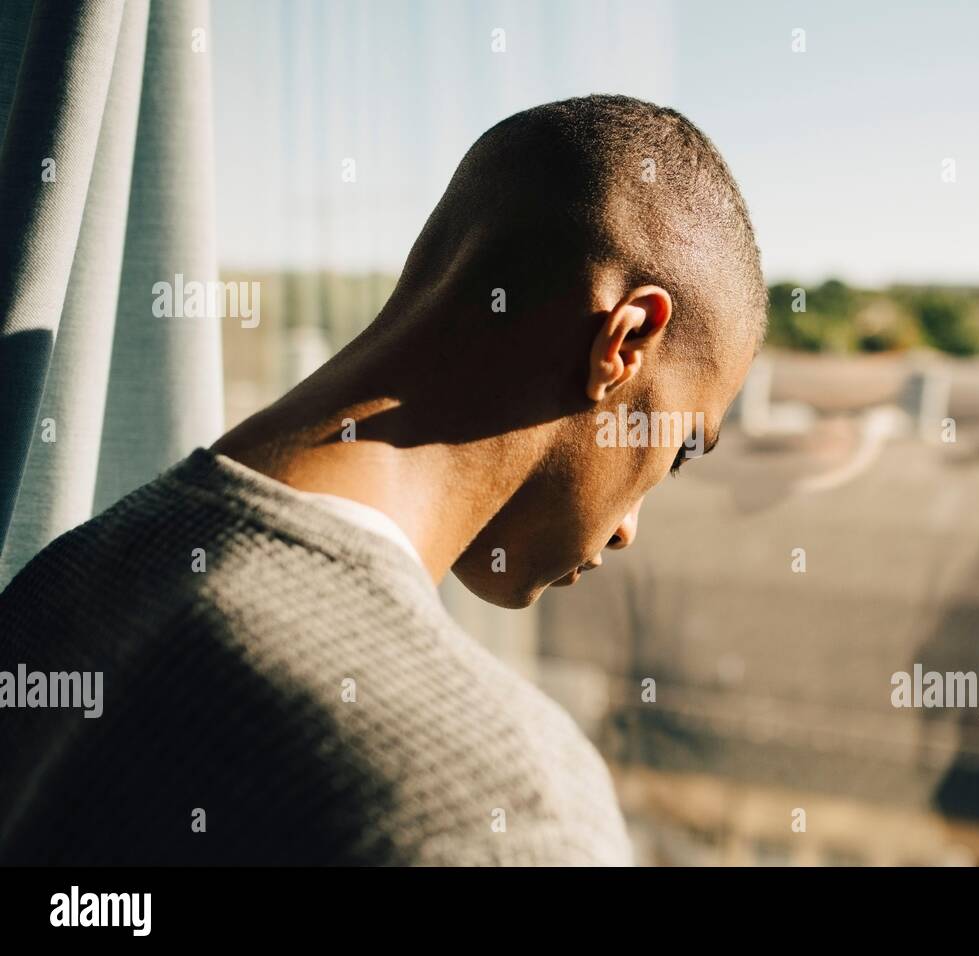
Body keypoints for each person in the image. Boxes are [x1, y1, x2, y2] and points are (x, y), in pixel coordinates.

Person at [0, 94, 766, 865]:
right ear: (624, 341)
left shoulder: (64, 578)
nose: (630, 527)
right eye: (676, 449)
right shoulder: (503, 808)